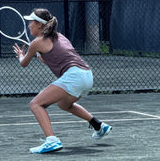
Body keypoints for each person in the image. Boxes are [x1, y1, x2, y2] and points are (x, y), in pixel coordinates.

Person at [13, 8, 112, 154]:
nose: (29, 25)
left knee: (36, 104)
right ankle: (99, 125)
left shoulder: (36, 43)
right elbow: (61, 58)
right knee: (64, 104)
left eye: (31, 22)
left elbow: (24, 63)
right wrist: (45, 59)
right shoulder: (60, 36)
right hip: (87, 75)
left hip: (74, 76)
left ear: (39, 25)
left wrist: (21, 56)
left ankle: (51, 140)